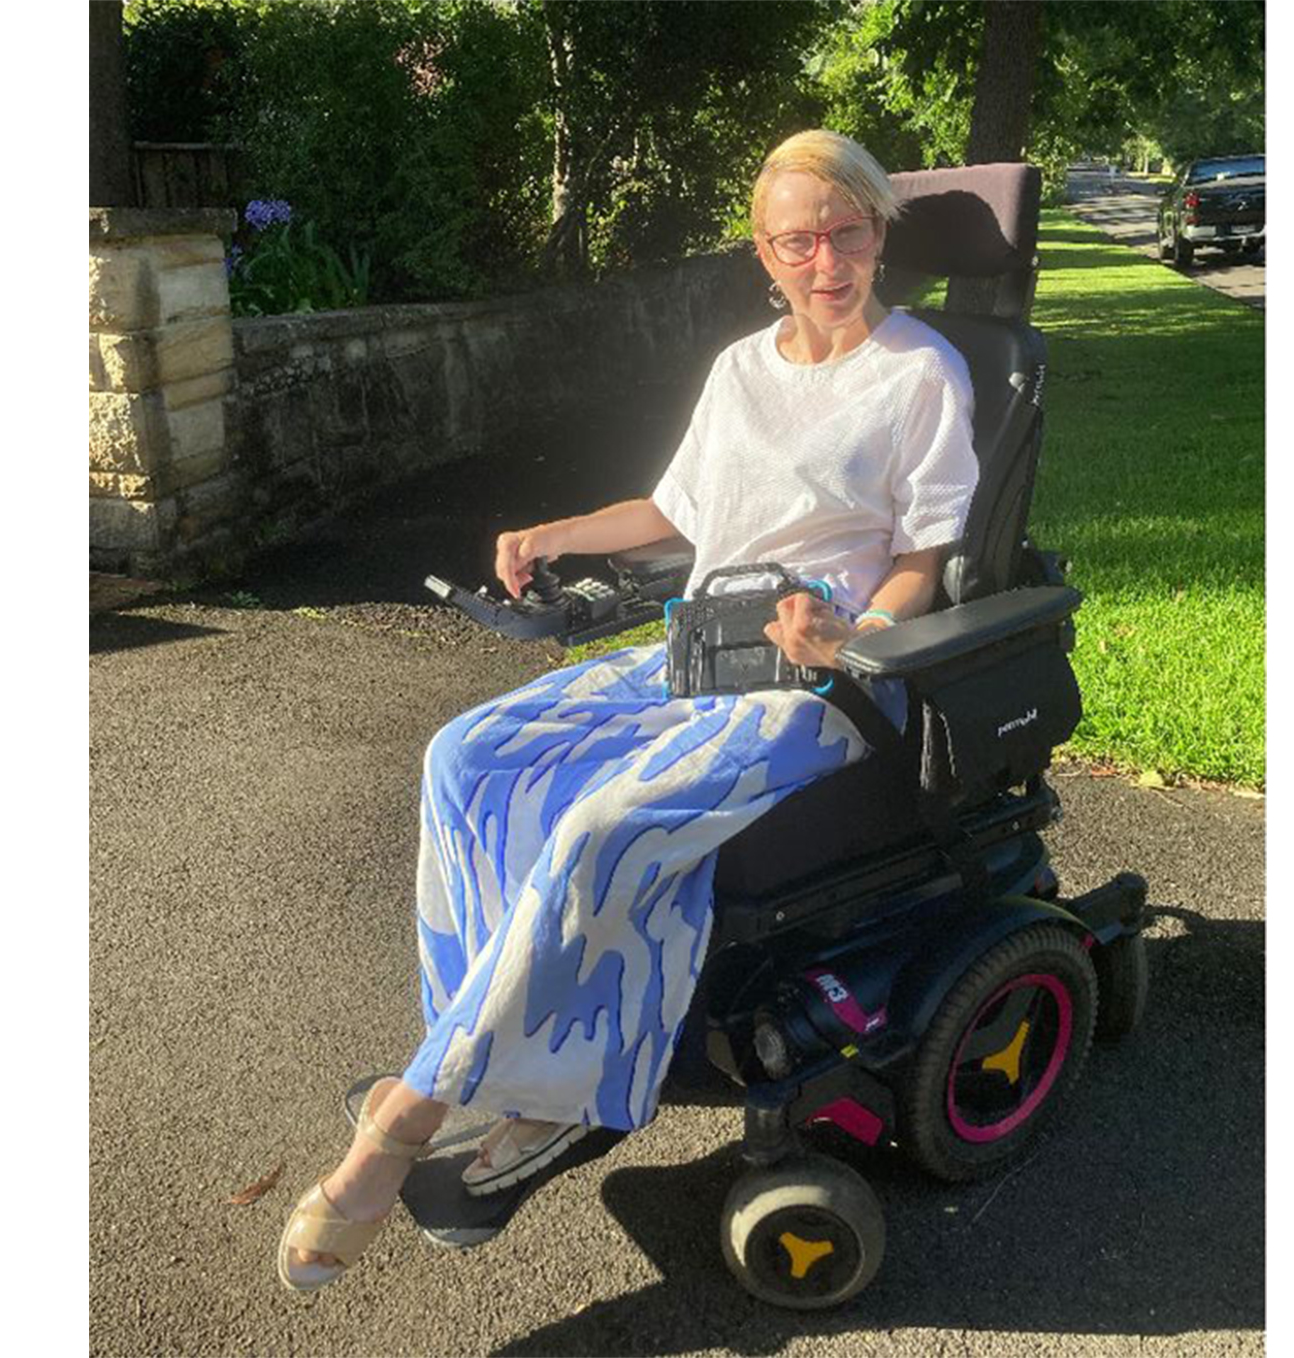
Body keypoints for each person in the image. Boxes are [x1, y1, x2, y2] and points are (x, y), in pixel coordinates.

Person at [279, 128, 981, 1291]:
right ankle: (517, 1060)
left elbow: (925, 554)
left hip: (824, 681)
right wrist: (553, 531)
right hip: (698, 648)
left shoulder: (921, 374)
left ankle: (412, 1108)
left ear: (878, 232)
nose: (827, 259)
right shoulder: (743, 370)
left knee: (607, 826)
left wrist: (851, 636)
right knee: (469, 753)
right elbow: (677, 512)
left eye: (848, 231)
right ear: (763, 250)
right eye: (799, 238)